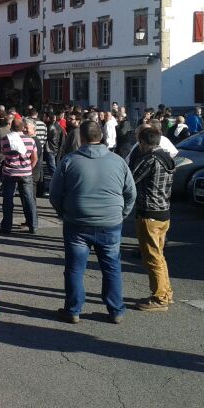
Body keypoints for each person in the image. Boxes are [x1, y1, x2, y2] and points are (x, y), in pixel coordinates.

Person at [49, 121, 136, 324]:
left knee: (75, 268)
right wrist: (122, 214)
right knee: (111, 267)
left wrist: (63, 212)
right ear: (102, 137)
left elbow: (54, 194)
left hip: (77, 222)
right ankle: (116, 310)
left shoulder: (70, 160)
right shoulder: (118, 161)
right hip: (110, 222)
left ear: (81, 138)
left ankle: (73, 309)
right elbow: (131, 193)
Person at [129, 127, 175, 312]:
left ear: (143, 142)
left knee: (152, 257)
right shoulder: (166, 157)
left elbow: (131, 178)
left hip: (149, 213)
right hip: (164, 211)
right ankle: (165, 292)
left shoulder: (150, 159)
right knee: (159, 256)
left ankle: (159, 298)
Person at [0, 119, 38, 235]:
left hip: (10, 172)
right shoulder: (31, 140)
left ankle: (6, 226)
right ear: (23, 128)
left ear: (11, 127)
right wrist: (29, 168)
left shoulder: (4, 140)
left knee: (8, 200)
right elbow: (35, 158)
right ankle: (33, 225)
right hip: (26, 173)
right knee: (29, 199)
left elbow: (3, 154)